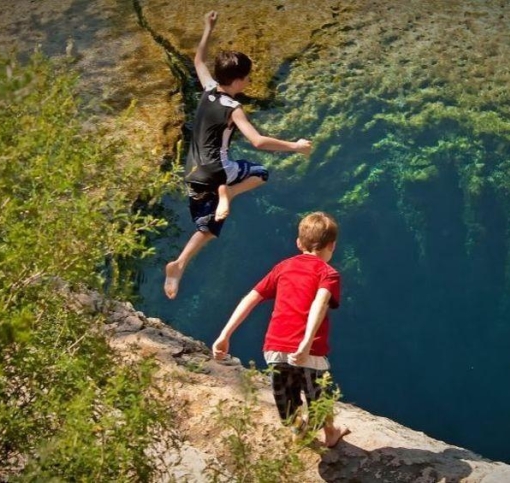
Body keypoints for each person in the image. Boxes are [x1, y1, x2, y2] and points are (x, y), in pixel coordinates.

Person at [164, 11, 313, 300]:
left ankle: (179, 264)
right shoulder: (233, 109)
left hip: (193, 172)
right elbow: (257, 141)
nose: (247, 82)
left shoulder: (209, 89)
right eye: (246, 78)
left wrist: (208, 28)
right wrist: (295, 146)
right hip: (219, 170)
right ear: (236, 81)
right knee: (261, 174)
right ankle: (228, 193)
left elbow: (198, 61)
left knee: (208, 226)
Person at [212, 212, 350, 448]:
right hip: (309, 351)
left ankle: (299, 431)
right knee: (319, 395)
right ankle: (330, 433)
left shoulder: (283, 267)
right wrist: (306, 342)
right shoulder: (329, 274)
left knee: (286, 399)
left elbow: (251, 298)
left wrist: (224, 335)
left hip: (275, 347)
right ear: (332, 245)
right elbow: (319, 304)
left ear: (299, 243)